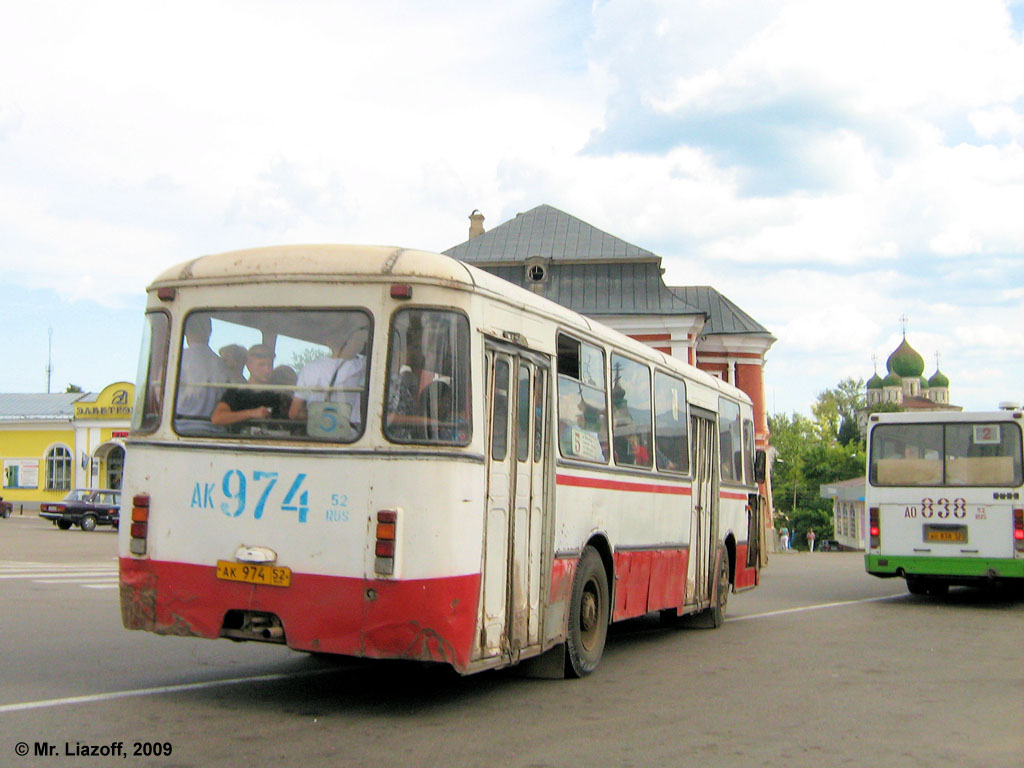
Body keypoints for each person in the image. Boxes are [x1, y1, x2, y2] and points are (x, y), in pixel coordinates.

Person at [289, 327, 369, 428]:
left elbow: (294, 413)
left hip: (317, 433)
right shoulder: (360, 366)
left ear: (328, 343)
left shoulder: (309, 368)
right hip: (351, 433)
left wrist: (320, 418)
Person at [210, 345, 289, 426]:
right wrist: (251, 413)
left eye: (269, 365)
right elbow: (217, 418)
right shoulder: (236, 392)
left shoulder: (278, 394)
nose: (267, 370)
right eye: (261, 365)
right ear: (249, 366)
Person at [177, 315, 228, 419]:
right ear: (209, 331)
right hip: (212, 427)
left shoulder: (177, 359)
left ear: (186, 332)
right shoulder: (221, 364)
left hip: (180, 424)